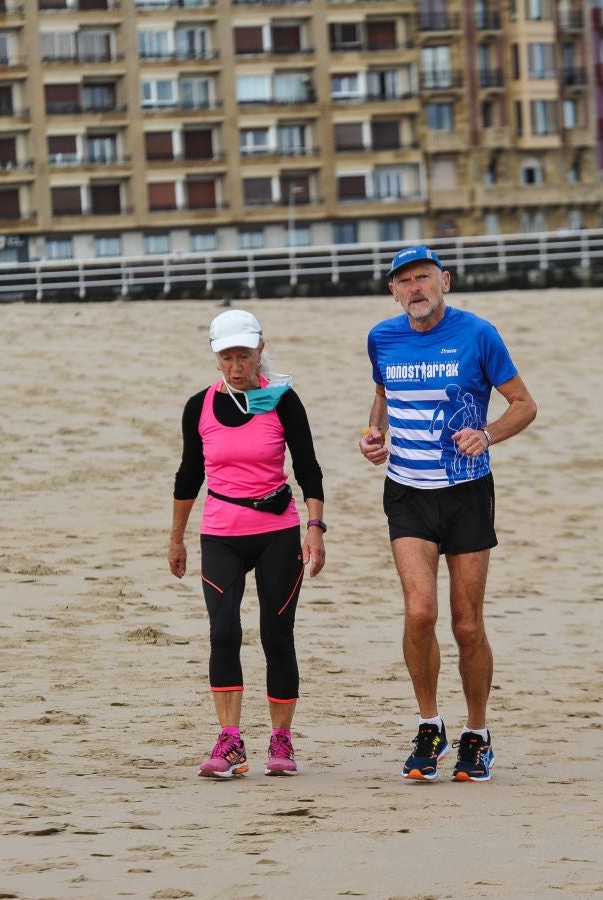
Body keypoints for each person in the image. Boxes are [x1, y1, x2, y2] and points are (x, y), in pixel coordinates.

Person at [358, 245, 537, 782]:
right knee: (419, 613)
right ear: (393, 291)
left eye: (424, 279)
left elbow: (524, 404)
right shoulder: (382, 338)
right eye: (405, 281)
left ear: (446, 282)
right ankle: (429, 724)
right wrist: (375, 434)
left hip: (465, 492)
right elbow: (384, 393)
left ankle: (477, 734)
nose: (415, 288)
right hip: (407, 491)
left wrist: (487, 435)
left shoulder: (478, 334)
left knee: (465, 622)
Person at [169, 309, 326, 779]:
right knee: (223, 633)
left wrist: (315, 529)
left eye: (244, 354)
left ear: (260, 350)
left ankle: (282, 740)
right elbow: (188, 475)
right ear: (215, 357)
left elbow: (309, 470)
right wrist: (176, 537)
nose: (237, 365)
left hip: (278, 531)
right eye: (227, 357)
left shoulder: (283, 400)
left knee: (277, 636)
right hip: (221, 532)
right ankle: (230, 741)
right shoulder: (199, 406)